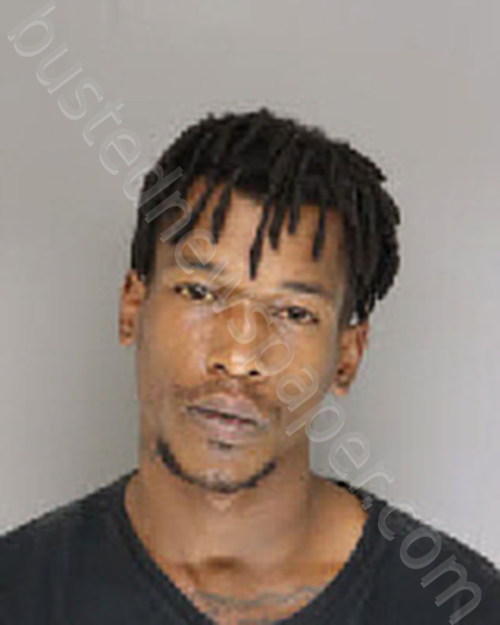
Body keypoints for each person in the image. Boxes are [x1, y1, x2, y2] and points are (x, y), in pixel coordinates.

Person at [1, 108, 498, 625]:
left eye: (294, 313)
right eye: (199, 292)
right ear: (132, 308)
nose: (238, 359)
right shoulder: (18, 593)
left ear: (348, 356)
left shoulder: (460, 604)